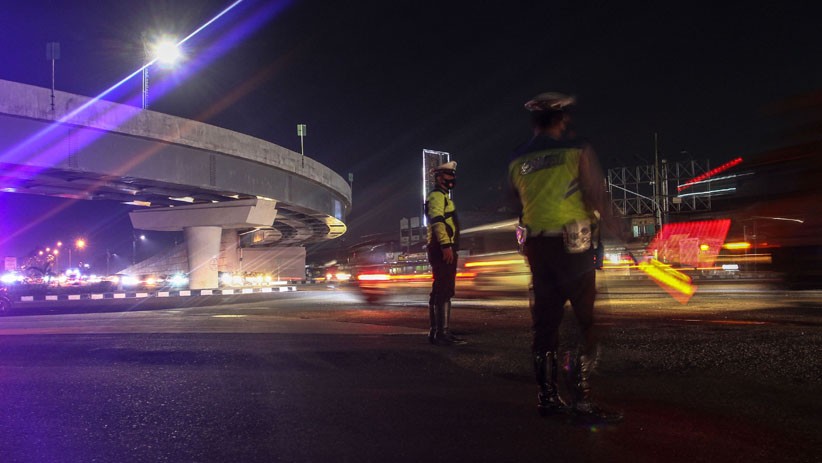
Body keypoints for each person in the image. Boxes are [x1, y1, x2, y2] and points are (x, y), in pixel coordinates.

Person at [508, 92, 621, 422]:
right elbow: (596, 194)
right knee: (583, 322)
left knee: (544, 325)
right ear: (561, 119)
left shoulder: (517, 160)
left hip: (538, 249)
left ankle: (547, 398)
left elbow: (516, 205)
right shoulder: (576, 150)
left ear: (534, 122)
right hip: (574, 248)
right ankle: (582, 400)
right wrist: (622, 231)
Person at [425, 161, 466, 346]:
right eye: (449, 175)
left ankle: (437, 332)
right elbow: (437, 221)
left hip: (441, 247)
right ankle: (442, 333)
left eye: (453, 175)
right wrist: (446, 245)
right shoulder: (436, 196)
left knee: (440, 289)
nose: (452, 179)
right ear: (439, 177)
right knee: (444, 289)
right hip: (442, 249)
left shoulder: (442, 196)